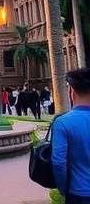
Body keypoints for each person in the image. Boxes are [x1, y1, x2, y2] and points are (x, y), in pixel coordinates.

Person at [53, 68, 90, 203]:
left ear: (71, 92)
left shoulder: (63, 122)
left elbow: (58, 162)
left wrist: (63, 189)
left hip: (79, 192)